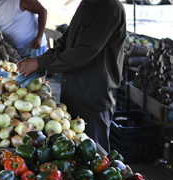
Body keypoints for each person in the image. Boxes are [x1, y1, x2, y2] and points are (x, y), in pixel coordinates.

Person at [17, 0, 126, 151]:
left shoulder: (109, 8)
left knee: (95, 157)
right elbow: (65, 42)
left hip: (92, 99)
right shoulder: (87, 4)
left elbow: (84, 51)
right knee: (73, 156)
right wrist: (39, 61)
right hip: (72, 94)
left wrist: (41, 63)